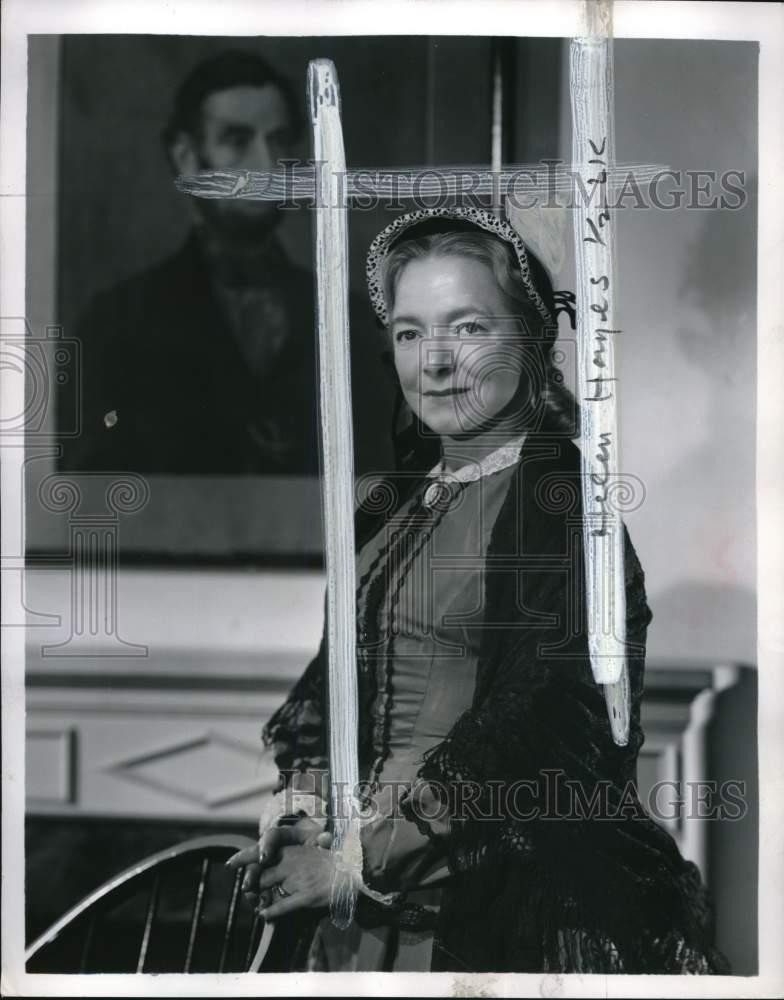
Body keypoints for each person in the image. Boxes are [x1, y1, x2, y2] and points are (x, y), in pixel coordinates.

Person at [227, 206, 731, 974]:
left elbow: (550, 715)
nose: (434, 360)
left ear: (528, 340)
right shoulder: (394, 502)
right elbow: (336, 681)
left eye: (465, 328)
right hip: (353, 899)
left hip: (493, 892)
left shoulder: (558, 499)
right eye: (408, 331)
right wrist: (305, 812)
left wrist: (370, 858)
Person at [61, 49, 392, 476]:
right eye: (238, 140)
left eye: (277, 140)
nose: (266, 165)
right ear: (185, 157)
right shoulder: (118, 321)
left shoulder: (355, 322)